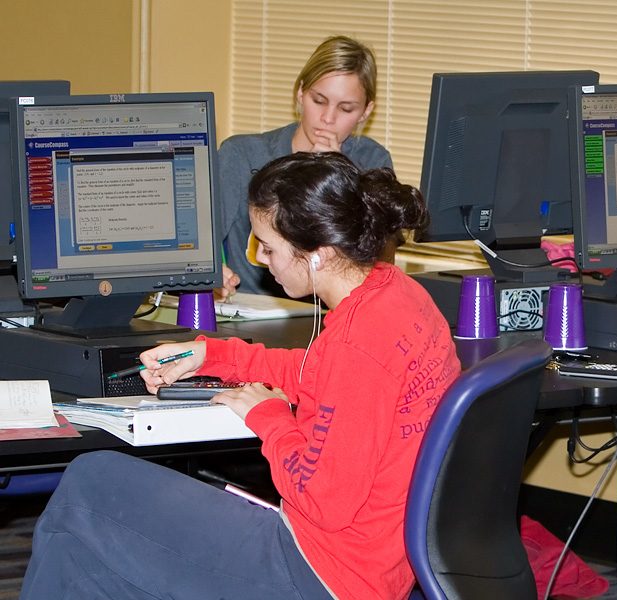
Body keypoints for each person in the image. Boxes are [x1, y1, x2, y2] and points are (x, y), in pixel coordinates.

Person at [19, 152, 461, 600]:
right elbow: (321, 376)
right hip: (376, 562)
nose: (261, 259)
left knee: (87, 484)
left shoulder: (358, 342)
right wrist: (209, 355)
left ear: (317, 255)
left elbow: (324, 499)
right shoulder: (396, 293)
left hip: (319, 572)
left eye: (268, 247)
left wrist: (269, 417)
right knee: (86, 558)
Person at [219, 35, 393, 298]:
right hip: (251, 310)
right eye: (319, 101)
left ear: (366, 112)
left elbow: (377, 269)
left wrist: (336, 175)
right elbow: (197, 247)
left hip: (333, 315)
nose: (328, 118)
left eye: (346, 109)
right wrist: (211, 274)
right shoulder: (242, 155)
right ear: (300, 92)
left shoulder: (373, 162)